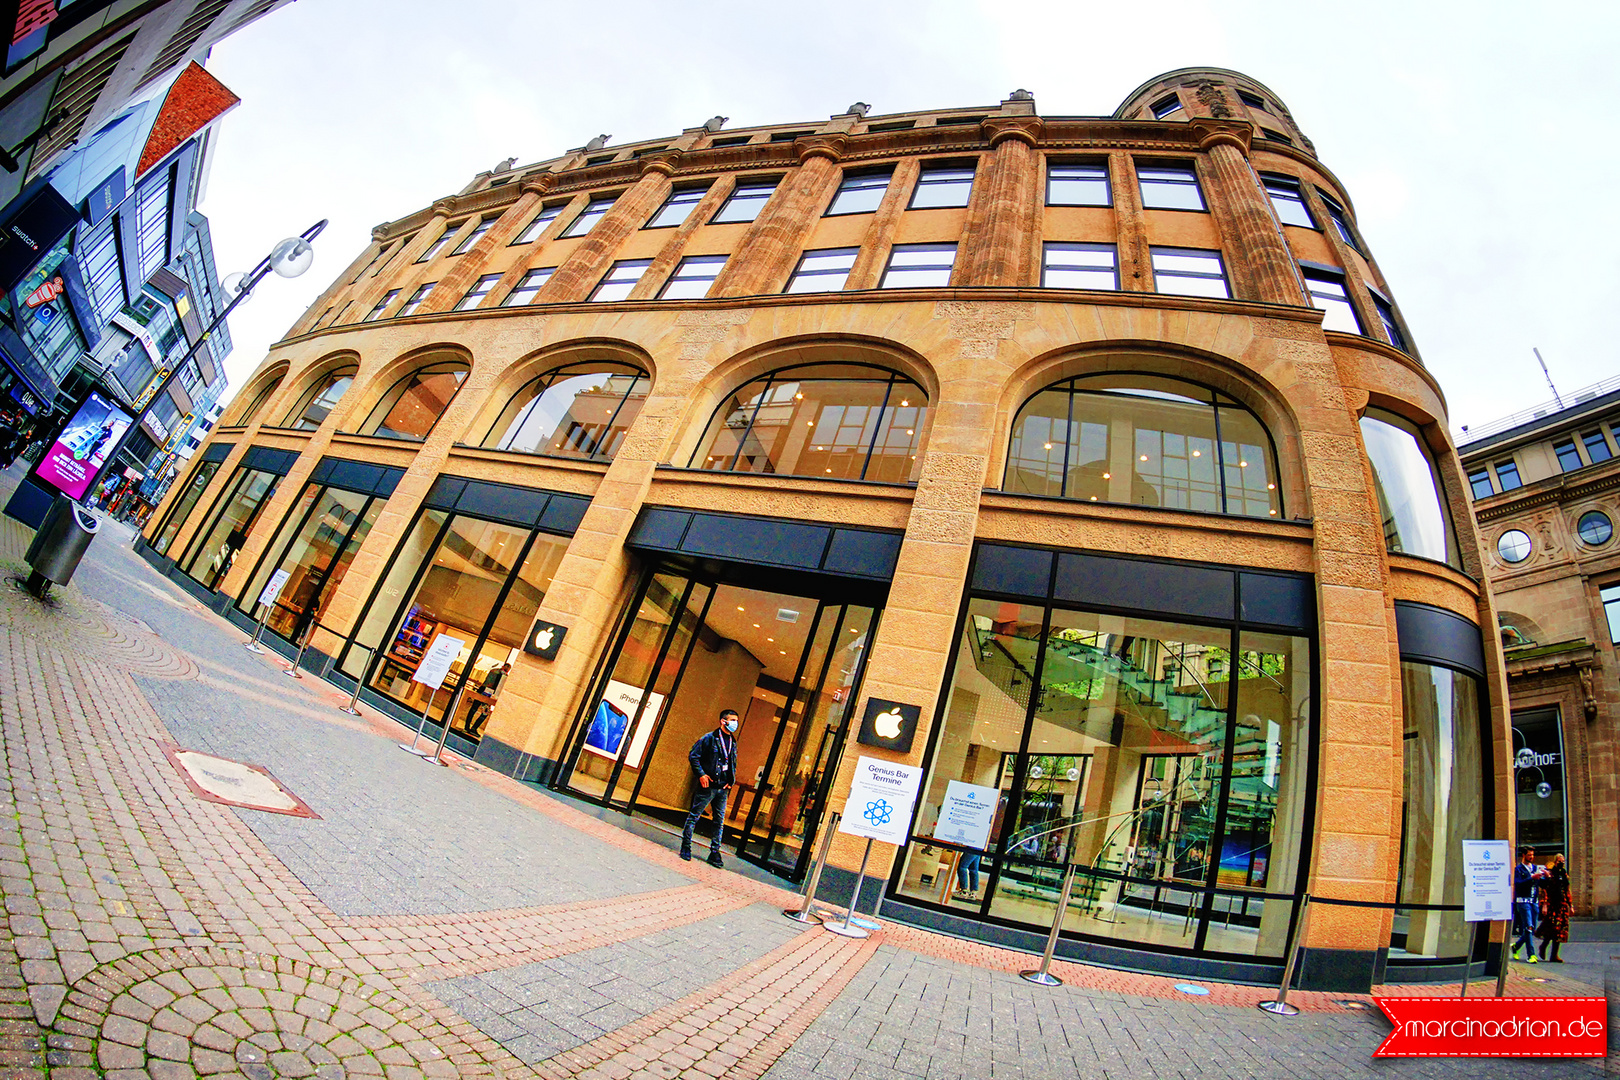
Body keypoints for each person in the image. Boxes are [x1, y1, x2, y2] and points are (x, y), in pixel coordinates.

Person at [681, 709, 738, 867]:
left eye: (736, 720)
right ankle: (686, 846)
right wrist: (701, 775)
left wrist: (730, 781)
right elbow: (694, 756)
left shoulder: (733, 741)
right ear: (723, 721)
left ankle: (715, 852)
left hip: (723, 788)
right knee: (694, 816)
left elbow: (732, 763)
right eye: (732, 720)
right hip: (708, 786)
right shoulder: (709, 738)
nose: (735, 724)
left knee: (719, 821)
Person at [1512, 846, 1547, 962]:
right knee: (1528, 927)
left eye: (1532, 855)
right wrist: (1531, 877)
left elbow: (1542, 884)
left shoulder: (1536, 868)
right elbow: (1517, 883)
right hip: (1523, 901)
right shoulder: (1519, 869)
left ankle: (1516, 946)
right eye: (1529, 855)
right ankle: (1531, 955)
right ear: (1524, 855)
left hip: (1534, 902)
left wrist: (1546, 877)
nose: (1531, 857)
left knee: (1532, 929)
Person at [1538, 853, 1572, 962]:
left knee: (1560, 930)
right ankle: (1543, 946)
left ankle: (1554, 955)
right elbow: (1545, 889)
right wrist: (1544, 904)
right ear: (1555, 861)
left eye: (1563, 861)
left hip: (1562, 905)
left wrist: (1570, 905)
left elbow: (1567, 889)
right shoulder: (1551, 873)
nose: (1561, 863)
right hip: (1553, 905)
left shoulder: (1564, 874)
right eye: (1559, 861)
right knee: (1552, 928)